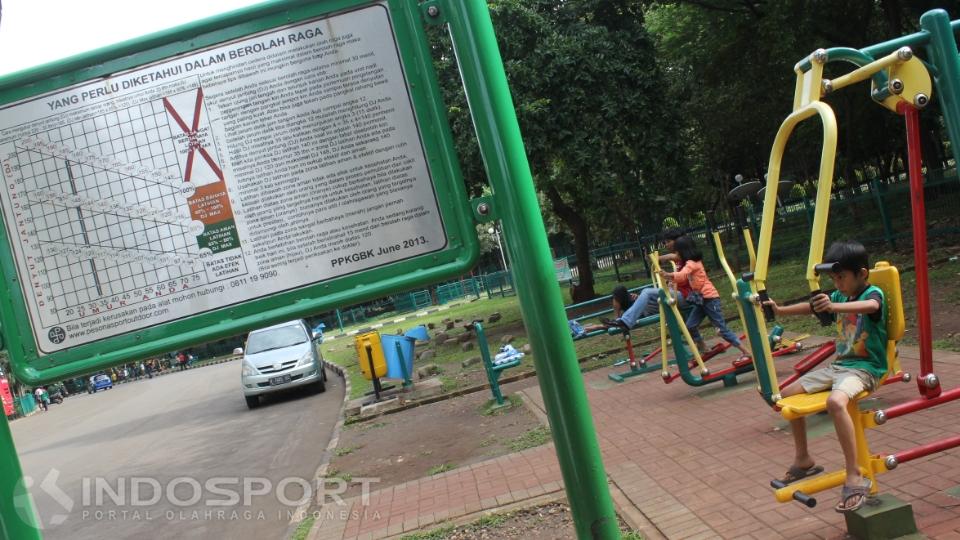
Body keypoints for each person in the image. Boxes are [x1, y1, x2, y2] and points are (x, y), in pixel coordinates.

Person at [762, 240, 885, 513]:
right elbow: (813, 307)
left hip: (866, 368)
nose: (837, 284)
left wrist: (833, 307)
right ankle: (803, 458)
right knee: (786, 397)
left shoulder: (873, 293)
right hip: (840, 366)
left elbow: (871, 308)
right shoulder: (840, 296)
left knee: (835, 403)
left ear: (861, 274)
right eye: (833, 279)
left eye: (841, 277)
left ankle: (854, 473)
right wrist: (780, 310)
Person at [659, 236, 751, 360]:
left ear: (684, 252)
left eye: (677, 252)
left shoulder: (692, 263)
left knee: (721, 330)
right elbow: (682, 277)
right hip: (701, 300)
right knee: (690, 326)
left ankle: (746, 352)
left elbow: (682, 275)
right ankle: (702, 347)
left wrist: (668, 275)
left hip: (710, 298)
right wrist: (669, 278)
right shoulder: (690, 263)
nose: (676, 255)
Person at [603, 228, 689, 331]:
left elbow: (673, 257)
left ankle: (624, 322)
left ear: (678, 241)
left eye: (668, 242)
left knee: (647, 292)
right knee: (644, 300)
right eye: (664, 242)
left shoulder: (686, 255)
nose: (666, 245)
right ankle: (617, 322)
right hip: (675, 294)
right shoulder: (678, 260)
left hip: (685, 296)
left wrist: (657, 258)